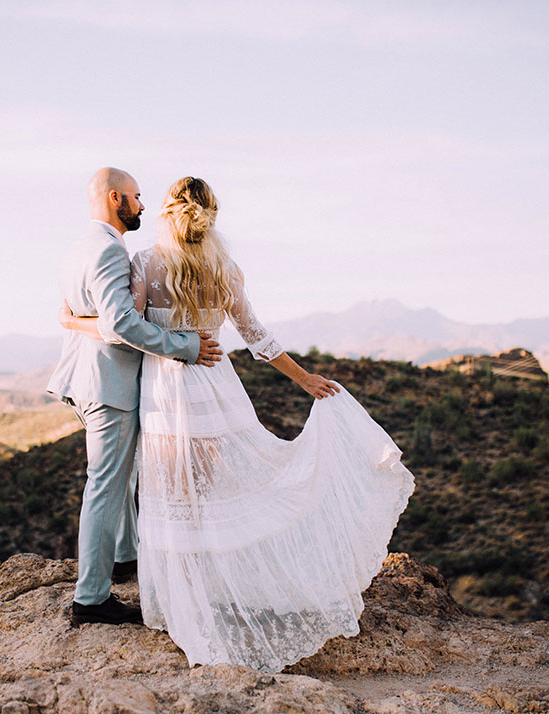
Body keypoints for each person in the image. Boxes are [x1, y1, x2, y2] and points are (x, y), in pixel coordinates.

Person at [59, 176, 415, 672]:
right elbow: (257, 337)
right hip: (217, 390)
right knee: (204, 495)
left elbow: (125, 330)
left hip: (166, 392)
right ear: (211, 218)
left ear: (167, 215)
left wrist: (74, 321)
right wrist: (304, 377)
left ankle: (181, 599)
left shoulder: (145, 263)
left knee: (170, 494)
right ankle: (209, 588)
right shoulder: (226, 270)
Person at [47, 168, 223, 627]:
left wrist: (74, 324)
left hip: (88, 379)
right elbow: (121, 323)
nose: (143, 205)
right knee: (105, 486)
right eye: (136, 197)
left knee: (120, 480)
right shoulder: (108, 249)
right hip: (107, 384)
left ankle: (124, 558)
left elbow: (92, 318)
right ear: (114, 198)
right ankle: (91, 599)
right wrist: (186, 347)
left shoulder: (79, 246)